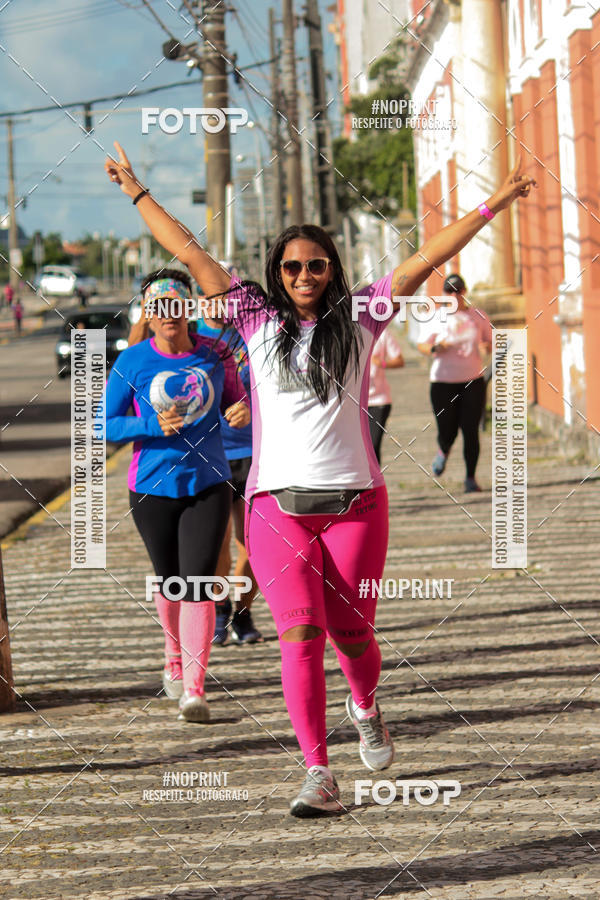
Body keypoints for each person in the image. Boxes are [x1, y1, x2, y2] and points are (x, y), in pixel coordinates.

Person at [105, 141, 535, 816]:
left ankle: (365, 704)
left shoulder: (363, 315)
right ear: (277, 274)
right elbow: (189, 252)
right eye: (291, 266)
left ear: (331, 269)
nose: (304, 274)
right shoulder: (252, 317)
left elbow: (425, 257)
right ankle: (317, 772)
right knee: (300, 635)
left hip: (356, 505)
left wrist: (496, 203)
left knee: (353, 635)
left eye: (315, 264)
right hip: (276, 508)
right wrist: (137, 191)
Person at [104, 268, 250, 723]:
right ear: (148, 314)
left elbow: (235, 399)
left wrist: (242, 411)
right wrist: (150, 424)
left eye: (176, 305)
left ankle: (194, 687)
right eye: (159, 307)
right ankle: (172, 653)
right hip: (151, 487)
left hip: (209, 482)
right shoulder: (132, 361)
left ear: (188, 309)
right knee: (170, 582)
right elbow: (103, 424)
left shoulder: (215, 352)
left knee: (198, 583)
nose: (169, 314)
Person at [195, 314, 262, 645]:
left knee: (253, 543)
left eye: (224, 295)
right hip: (211, 454)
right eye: (210, 295)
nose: (218, 302)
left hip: (255, 452)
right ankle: (221, 608)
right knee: (219, 543)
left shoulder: (254, 333)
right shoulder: (192, 337)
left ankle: (243, 612)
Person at [417, 273, 492, 492]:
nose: (453, 295)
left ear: (464, 292)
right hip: (443, 382)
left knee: (471, 430)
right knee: (447, 430)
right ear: (443, 294)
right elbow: (422, 345)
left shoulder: (478, 316)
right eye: (449, 291)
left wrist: (486, 348)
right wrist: (435, 348)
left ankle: (470, 478)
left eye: (457, 291)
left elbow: (489, 342)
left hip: (472, 381)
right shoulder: (435, 317)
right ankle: (443, 450)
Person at [367, 326, 404, 463]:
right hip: (352, 402)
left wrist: (382, 363)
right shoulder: (345, 332)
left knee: (372, 446)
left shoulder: (382, 333)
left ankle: (374, 476)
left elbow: (399, 360)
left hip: (379, 400)